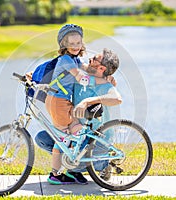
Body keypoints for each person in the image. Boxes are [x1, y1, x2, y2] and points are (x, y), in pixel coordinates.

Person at [36, 48, 122, 184]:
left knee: (74, 160)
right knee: (42, 138)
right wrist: (32, 75)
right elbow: (62, 66)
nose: (90, 59)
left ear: (101, 67)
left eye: (94, 59)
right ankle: (73, 166)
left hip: (96, 140)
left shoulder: (105, 84)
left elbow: (117, 99)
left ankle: (103, 165)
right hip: (76, 133)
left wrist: (88, 101)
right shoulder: (81, 77)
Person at [44, 24, 92, 185]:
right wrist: (91, 82)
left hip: (57, 100)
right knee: (74, 132)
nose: (75, 46)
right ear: (64, 45)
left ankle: (57, 173)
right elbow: (79, 75)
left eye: (78, 43)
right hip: (59, 102)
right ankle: (68, 169)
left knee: (64, 137)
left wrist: (103, 74)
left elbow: (85, 68)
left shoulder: (74, 59)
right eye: (71, 44)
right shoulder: (65, 60)